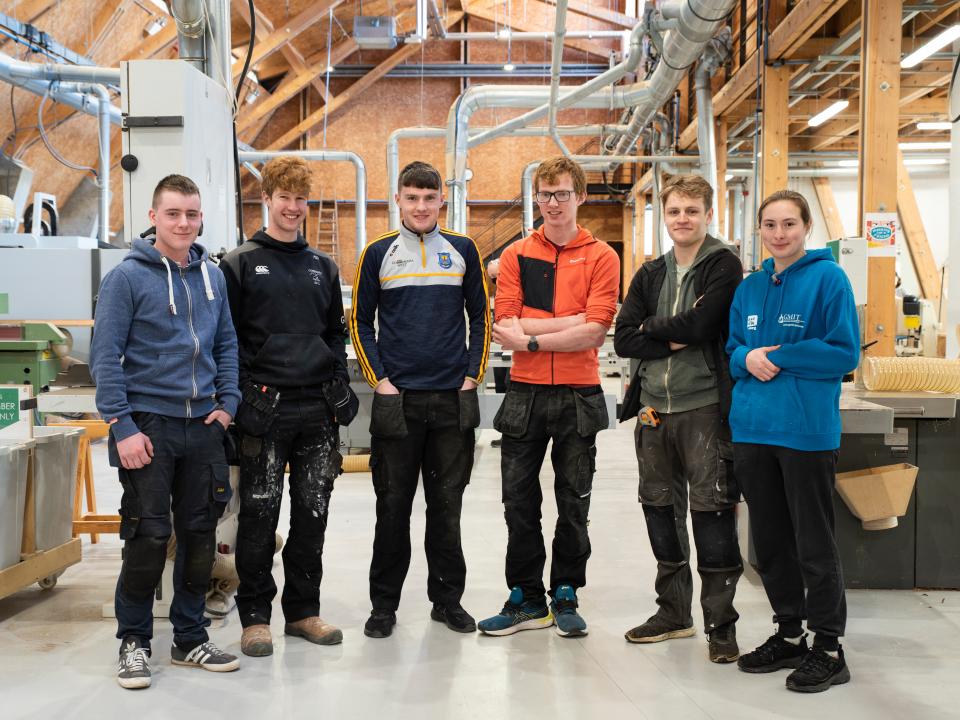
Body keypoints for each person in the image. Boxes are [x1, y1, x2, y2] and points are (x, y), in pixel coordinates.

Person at [91, 174, 241, 689]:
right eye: (173, 213)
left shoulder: (213, 277)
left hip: (203, 424)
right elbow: (104, 356)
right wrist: (122, 425)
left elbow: (226, 345)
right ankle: (133, 641)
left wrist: (228, 405)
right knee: (149, 535)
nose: (183, 223)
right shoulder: (126, 278)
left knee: (199, 537)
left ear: (201, 218)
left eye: (192, 214)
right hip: (147, 426)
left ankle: (189, 638)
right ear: (154, 216)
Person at [478, 156, 620, 638]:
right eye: (544, 194)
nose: (552, 203)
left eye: (561, 193)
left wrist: (536, 336)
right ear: (535, 198)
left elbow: (596, 330)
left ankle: (565, 592)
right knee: (518, 500)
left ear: (580, 196)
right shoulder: (518, 254)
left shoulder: (602, 255)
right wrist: (572, 322)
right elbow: (505, 324)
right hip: (526, 393)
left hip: (579, 391)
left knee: (573, 499)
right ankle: (525, 597)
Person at [220, 156, 355, 657]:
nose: (294, 207)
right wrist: (241, 398)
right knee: (258, 516)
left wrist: (338, 379)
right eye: (285, 198)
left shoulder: (322, 266)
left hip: (317, 410)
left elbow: (334, 335)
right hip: (265, 411)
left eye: (301, 199)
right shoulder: (239, 263)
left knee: (312, 514)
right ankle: (255, 618)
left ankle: (303, 612)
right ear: (267, 199)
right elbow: (225, 340)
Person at [351, 161, 490, 638]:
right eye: (412, 198)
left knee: (446, 508)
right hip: (399, 401)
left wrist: (472, 374)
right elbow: (359, 322)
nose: (420, 206)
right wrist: (380, 380)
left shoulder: (464, 250)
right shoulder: (377, 254)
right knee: (391, 510)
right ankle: (383, 606)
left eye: (429, 198)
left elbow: (481, 315)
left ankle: (447, 600)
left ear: (441, 202)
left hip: (452, 401)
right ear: (398, 200)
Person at [727, 189, 859, 693]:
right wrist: (747, 359)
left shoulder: (830, 279)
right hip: (753, 430)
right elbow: (734, 349)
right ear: (759, 230)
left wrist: (779, 354)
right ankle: (789, 633)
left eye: (789, 224)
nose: (779, 234)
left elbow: (843, 352)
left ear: (806, 228)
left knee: (814, 543)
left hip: (805, 433)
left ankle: (829, 646)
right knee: (772, 542)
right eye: (770, 225)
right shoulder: (750, 287)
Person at [613, 175, 744, 663]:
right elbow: (624, 337)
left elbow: (705, 324)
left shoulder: (723, 264)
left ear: (709, 214)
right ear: (664, 217)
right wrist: (666, 331)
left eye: (692, 210)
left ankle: (721, 626)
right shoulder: (651, 273)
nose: (682, 219)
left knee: (711, 512)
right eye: (674, 212)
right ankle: (673, 613)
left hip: (703, 406)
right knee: (659, 510)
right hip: (652, 409)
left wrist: (655, 327)